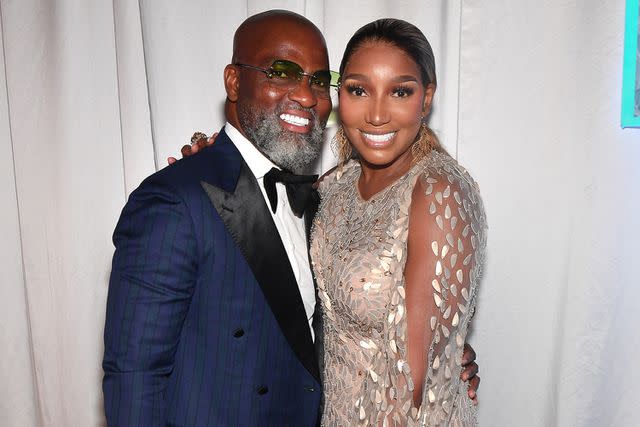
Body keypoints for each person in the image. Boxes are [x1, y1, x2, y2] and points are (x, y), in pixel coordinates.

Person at [104, 9, 479, 426]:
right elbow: (134, 375)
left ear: (426, 98)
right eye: (281, 71)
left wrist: (446, 347)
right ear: (233, 81)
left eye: (318, 80)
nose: (305, 95)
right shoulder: (178, 201)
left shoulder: (336, 195)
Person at [310, 19, 487, 426]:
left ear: (426, 99)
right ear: (340, 95)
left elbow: (412, 383)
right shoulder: (334, 186)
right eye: (359, 89)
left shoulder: (440, 192)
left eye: (400, 91)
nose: (376, 114)